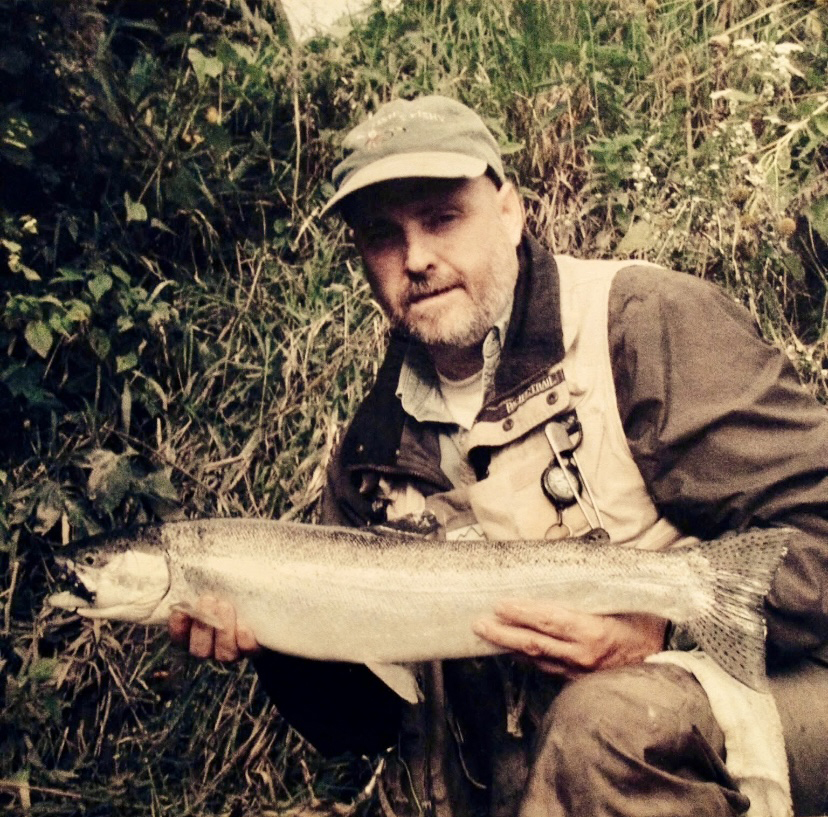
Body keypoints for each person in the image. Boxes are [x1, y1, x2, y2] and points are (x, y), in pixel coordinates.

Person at [169, 95, 828, 817]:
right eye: (382, 235)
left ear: (511, 213)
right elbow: (360, 727)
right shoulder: (372, 454)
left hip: (776, 706)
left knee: (605, 728)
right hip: (543, 783)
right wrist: (272, 640)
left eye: (442, 218)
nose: (416, 258)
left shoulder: (639, 324)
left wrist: (663, 633)